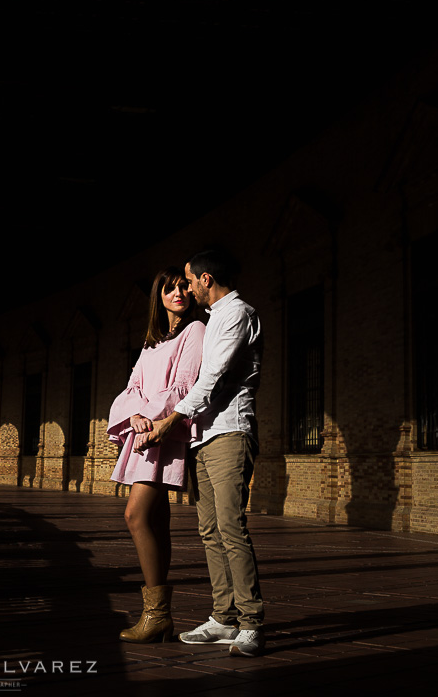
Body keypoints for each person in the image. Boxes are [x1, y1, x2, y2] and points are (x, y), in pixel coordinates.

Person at [142, 248, 266, 656]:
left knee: (231, 528)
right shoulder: (212, 320)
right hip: (204, 437)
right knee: (210, 531)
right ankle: (223, 617)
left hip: (230, 432)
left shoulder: (237, 314)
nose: (188, 287)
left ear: (206, 279)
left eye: (190, 279)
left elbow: (212, 377)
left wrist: (167, 422)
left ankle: (251, 623)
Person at [107, 267, 206, 643]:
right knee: (157, 522)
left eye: (184, 286)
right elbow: (131, 387)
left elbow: (184, 385)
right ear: (158, 296)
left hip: (163, 432)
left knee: (135, 514)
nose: (179, 292)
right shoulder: (151, 342)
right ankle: (160, 618)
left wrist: (148, 418)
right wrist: (133, 414)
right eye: (170, 288)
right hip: (143, 432)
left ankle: (155, 613)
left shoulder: (194, 331)